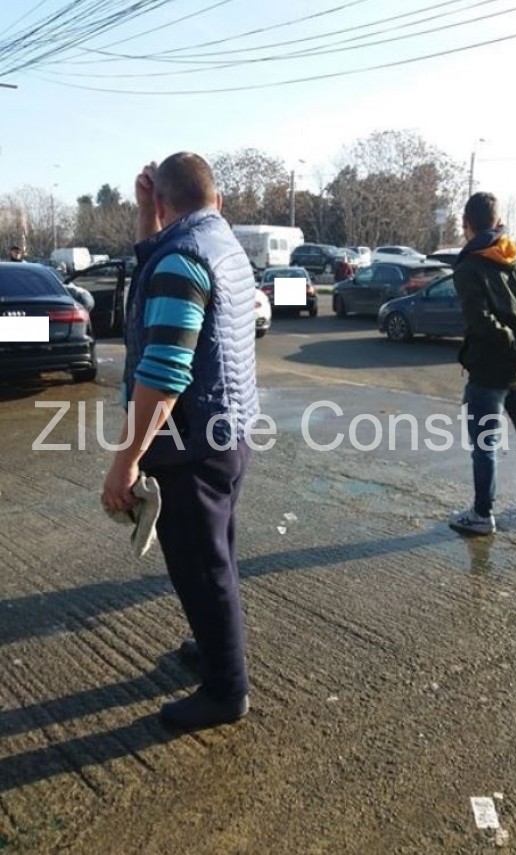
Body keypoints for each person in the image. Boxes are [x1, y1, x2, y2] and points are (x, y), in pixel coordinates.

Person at [101, 152, 259, 729]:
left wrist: (125, 462)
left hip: (190, 446)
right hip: (229, 433)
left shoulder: (182, 260)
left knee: (201, 568)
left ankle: (225, 690)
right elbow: (162, 265)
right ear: (216, 200)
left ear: (165, 202)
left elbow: (165, 373)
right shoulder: (222, 244)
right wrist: (149, 215)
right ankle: (215, 647)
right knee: (216, 557)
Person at [450, 192, 516, 536]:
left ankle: (482, 514)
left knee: (486, 443)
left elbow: (481, 321)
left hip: (489, 370)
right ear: (498, 222)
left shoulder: (469, 267)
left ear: (466, 224)